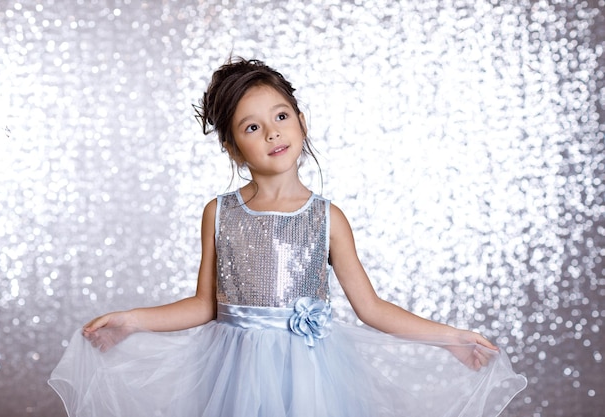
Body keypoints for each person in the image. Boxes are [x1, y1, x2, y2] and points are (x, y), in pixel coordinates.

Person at [49, 57, 527, 417]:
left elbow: (372, 308)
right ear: (233, 147)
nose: (272, 133)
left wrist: (451, 338)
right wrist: (133, 320)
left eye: (281, 117)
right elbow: (205, 305)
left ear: (301, 120)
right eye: (252, 127)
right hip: (234, 374)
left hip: (311, 378)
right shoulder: (219, 213)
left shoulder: (326, 218)